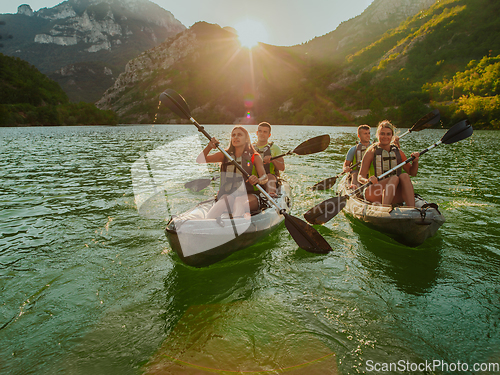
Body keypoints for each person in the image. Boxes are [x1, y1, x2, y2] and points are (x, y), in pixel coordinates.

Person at [196, 126, 268, 219]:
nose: (236, 137)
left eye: (239, 135)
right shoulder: (224, 155)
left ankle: (236, 225)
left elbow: (265, 177)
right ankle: (206, 223)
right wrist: (209, 146)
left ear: (246, 139)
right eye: (233, 135)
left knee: (239, 200)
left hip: (250, 196)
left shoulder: (255, 156)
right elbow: (200, 160)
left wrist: (258, 180)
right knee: (224, 199)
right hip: (229, 196)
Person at [357, 120, 420, 207]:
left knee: (404, 176)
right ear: (378, 135)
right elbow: (360, 177)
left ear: (392, 136)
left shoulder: (398, 152)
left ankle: (412, 209)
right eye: (382, 134)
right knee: (394, 178)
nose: (385, 137)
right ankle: (384, 209)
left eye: (388, 134)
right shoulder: (371, 151)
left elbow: (412, 173)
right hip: (375, 192)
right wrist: (367, 180)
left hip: (395, 194)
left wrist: (415, 161)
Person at [253, 122, 285, 197]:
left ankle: (271, 194)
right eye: (260, 131)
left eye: (265, 132)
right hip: (253, 178)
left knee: (269, 176)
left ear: (269, 135)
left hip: (269, 178)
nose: (262, 134)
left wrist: (273, 160)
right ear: (257, 133)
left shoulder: (275, 148)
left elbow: (282, 168)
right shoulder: (250, 148)